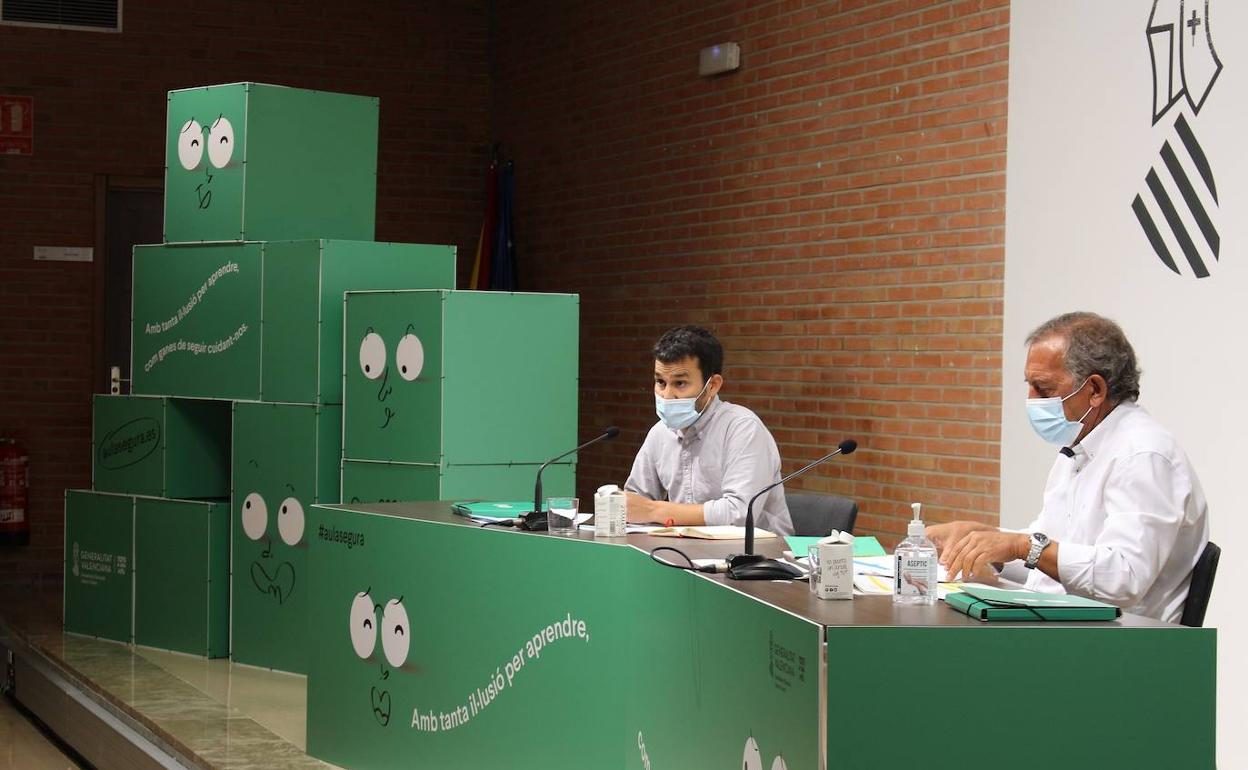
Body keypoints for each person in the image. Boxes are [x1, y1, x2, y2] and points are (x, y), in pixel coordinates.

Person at [928, 312, 1209, 623]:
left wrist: (1022, 546)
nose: (1031, 400)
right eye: (1029, 386)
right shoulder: (1079, 447)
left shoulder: (1143, 454)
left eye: (1043, 389)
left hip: (1125, 647)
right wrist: (984, 542)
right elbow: (1050, 561)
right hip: (1072, 628)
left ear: (1095, 390)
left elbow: (1124, 578)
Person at [624, 325, 793, 536]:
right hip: (686, 552)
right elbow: (634, 505)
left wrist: (654, 510)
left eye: (680, 383)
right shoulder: (660, 433)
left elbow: (738, 515)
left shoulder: (742, 428)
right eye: (660, 382)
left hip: (755, 559)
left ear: (712, 385)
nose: (667, 395)